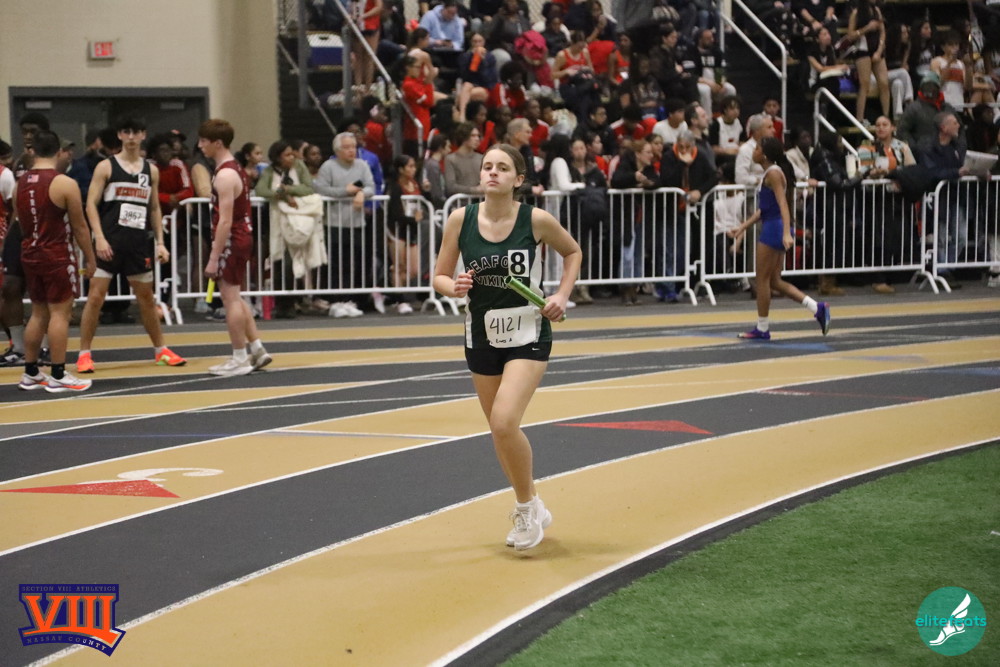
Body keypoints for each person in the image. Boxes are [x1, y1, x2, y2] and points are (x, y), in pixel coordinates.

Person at [432, 143, 582, 551]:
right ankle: (532, 500)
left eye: (502, 167)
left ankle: (525, 509)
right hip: (481, 334)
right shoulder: (461, 219)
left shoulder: (535, 220)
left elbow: (573, 252)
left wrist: (561, 295)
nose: (492, 172)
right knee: (500, 432)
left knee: (503, 421)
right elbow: (440, 276)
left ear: (518, 179)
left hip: (528, 332)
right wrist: (454, 286)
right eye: (487, 166)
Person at [75, 117, 187, 374]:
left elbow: (154, 207)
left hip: (137, 244)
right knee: (95, 297)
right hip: (109, 242)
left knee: (146, 298)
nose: (132, 137)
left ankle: (161, 350)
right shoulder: (106, 167)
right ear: (120, 135)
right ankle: (84, 354)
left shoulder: (151, 171)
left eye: (136, 132)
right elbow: (90, 204)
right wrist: (99, 238)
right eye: (127, 132)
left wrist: (160, 242)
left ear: (143, 135)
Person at [13, 129, 97, 392]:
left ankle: (30, 372)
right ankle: (58, 373)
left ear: (33, 151)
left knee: (38, 312)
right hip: (56, 253)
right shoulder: (64, 183)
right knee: (61, 313)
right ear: (59, 152)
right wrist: (91, 259)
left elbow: (19, 220)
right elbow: (80, 226)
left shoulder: (20, 183)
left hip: (30, 252)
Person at [730, 136, 830, 340]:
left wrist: (786, 232)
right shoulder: (770, 172)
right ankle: (816, 307)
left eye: (757, 148)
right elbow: (764, 209)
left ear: (764, 154)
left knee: (761, 279)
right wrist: (743, 227)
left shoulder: (774, 174)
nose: (754, 151)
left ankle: (762, 327)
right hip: (774, 225)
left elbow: (783, 204)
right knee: (774, 281)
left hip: (774, 228)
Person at [197, 119, 272, 375]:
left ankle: (239, 357)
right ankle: (257, 348)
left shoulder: (225, 175)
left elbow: (225, 220)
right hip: (241, 236)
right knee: (236, 297)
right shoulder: (234, 168)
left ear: (217, 143)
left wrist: (213, 257)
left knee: (230, 299)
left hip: (233, 238)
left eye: (204, 141)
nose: (200, 145)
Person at [856, 115, 916, 294]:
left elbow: (911, 168)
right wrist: (874, 173)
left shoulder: (901, 146)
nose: (881, 128)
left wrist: (894, 170)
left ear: (893, 127)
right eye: (877, 125)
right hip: (875, 198)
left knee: (896, 237)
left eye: (885, 124)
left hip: (896, 198)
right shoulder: (867, 146)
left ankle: (890, 275)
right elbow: (863, 169)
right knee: (878, 238)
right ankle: (878, 278)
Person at [385, 154, 427, 314]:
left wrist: (427, 190)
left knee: (414, 269)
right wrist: (412, 219)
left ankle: (394, 293)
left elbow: (426, 201)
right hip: (397, 230)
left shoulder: (415, 184)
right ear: (401, 169)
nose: (413, 169)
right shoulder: (395, 187)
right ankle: (399, 300)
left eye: (414, 166)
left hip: (411, 230)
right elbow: (395, 213)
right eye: (410, 166)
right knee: (399, 266)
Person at [846, 0, 891, 123]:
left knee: (884, 83)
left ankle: (886, 117)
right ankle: (859, 118)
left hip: (876, 49)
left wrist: (879, 50)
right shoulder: (856, 13)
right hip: (862, 49)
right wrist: (866, 28)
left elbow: (882, 32)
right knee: (864, 84)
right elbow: (850, 35)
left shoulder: (877, 11)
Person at [445, 122, 485, 197]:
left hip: (480, 201)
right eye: (473, 136)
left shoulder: (481, 158)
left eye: (478, 136)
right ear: (464, 137)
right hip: (460, 202)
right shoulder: (451, 159)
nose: (477, 139)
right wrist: (474, 190)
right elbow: (450, 186)